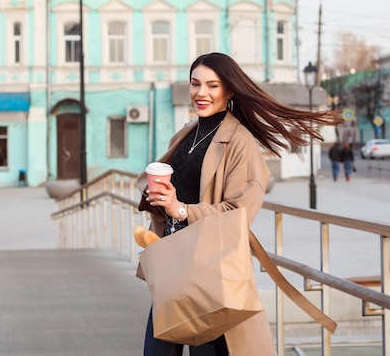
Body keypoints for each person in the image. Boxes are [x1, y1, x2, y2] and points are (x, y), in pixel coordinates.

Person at [136, 52, 343, 356]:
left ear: (229, 90)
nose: (201, 93)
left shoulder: (240, 141)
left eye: (212, 86)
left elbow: (239, 213)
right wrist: (158, 200)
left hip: (210, 272)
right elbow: (174, 196)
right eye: (195, 84)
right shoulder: (186, 133)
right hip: (175, 264)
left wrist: (181, 209)